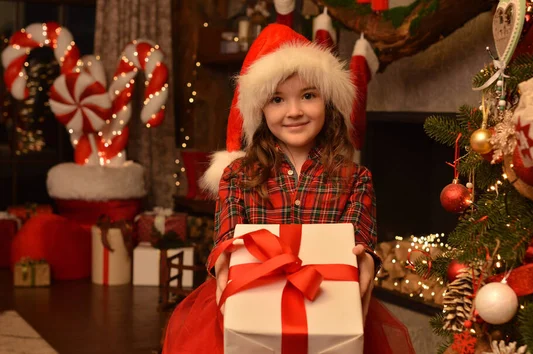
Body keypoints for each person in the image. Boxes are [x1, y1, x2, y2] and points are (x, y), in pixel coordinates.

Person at [163, 24, 415, 354]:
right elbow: (225, 239)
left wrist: (366, 259)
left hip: (328, 308)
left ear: (328, 102)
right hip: (251, 304)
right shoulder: (237, 175)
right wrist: (222, 262)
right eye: (277, 99)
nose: (294, 111)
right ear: (260, 110)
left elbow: (360, 241)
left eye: (308, 96)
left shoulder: (356, 178)